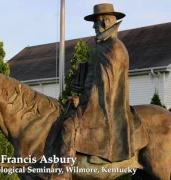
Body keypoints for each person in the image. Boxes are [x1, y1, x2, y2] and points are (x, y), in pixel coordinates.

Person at [52, 3, 148, 180]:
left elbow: (104, 84)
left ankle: (64, 170)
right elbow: (94, 76)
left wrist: (81, 99)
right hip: (96, 98)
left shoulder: (114, 49)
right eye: (94, 24)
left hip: (106, 105)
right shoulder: (101, 48)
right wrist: (79, 80)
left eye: (96, 23)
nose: (94, 27)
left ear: (106, 22)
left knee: (68, 124)